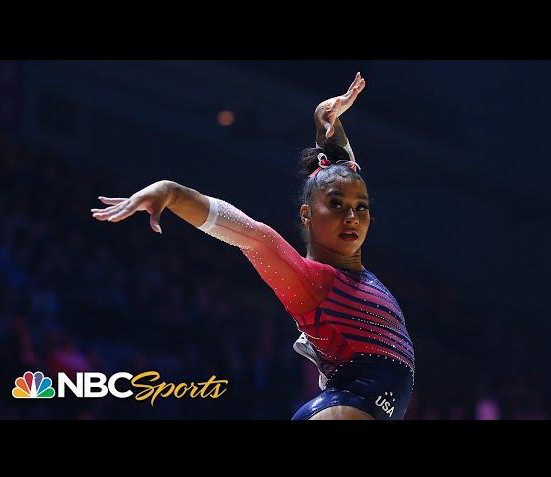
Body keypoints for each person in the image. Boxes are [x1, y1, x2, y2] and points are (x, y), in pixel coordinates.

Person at [91, 73, 415, 420]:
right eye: (336, 205)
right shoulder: (311, 281)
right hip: (350, 402)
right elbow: (249, 233)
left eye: (361, 207)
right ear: (306, 215)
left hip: (365, 403)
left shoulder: (352, 273)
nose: (352, 216)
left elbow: (343, 168)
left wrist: (326, 118)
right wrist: (173, 193)